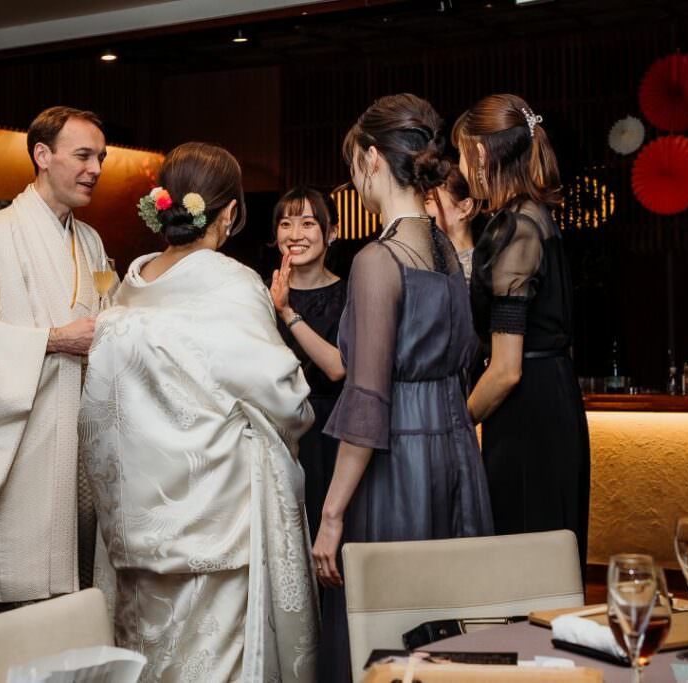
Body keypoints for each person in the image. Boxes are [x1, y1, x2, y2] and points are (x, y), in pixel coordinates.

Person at [81, 142, 317, 682]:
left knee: (150, 658)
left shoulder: (132, 287)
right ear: (230, 212)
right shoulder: (233, 284)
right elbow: (283, 393)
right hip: (218, 522)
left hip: (140, 524)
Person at [312, 94, 494, 683]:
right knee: (445, 634)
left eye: (352, 167)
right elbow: (467, 356)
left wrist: (332, 513)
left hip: (397, 464)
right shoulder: (445, 250)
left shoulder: (378, 259)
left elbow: (367, 398)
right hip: (458, 456)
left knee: (385, 638)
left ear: (370, 159)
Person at [0, 106, 115, 624]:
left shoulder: (90, 242)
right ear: (42, 155)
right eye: (83, 155)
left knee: (72, 600)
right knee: (12, 595)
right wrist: (53, 340)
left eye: (100, 157)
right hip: (18, 446)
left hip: (76, 444)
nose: (96, 169)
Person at [455, 93, 590, 574]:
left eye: (462, 153)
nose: (460, 167)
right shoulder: (534, 216)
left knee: (524, 562)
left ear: (483, 155)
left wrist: (456, 422)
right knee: (548, 558)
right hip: (552, 398)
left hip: (528, 412)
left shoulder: (514, 228)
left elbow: (506, 370)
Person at [268, 186, 345, 542]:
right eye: (285, 224)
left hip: (326, 433)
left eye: (308, 223)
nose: (295, 235)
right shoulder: (259, 292)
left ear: (332, 232)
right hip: (275, 431)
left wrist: (287, 312)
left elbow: (337, 367)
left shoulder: (349, 293)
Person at [423, 159, 478, 283]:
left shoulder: (475, 270)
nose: (423, 208)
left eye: (428, 200)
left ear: (465, 207)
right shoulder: (433, 262)